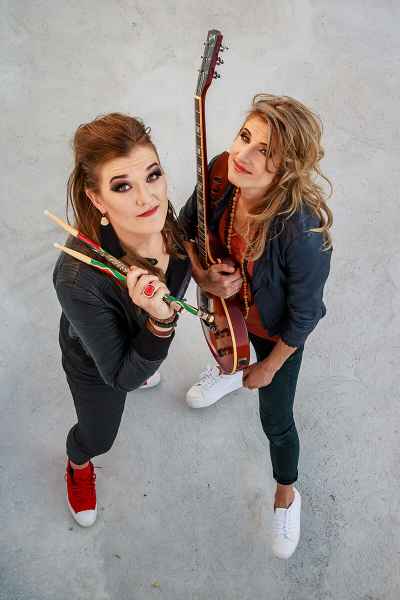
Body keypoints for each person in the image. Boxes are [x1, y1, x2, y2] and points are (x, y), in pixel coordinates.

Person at [179, 93, 333, 559]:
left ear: (287, 169)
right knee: (226, 351)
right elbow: (186, 228)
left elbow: (305, 316)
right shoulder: (221, 174)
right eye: (244, 136)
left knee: (276, 421)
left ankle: (286, 494)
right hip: (230, 315)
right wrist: (202, 274)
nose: (241, 155)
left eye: (264, 151)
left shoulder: (303, 233)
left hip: (273, 335)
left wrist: (268, 367)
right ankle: (230, 368)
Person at [53, 113, 191, 527]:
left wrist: (209, 275)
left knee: (141, 364)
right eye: (122, 186)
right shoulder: (76, 279)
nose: (147, 198)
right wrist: (160, 322)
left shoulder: (166, 220)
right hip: (98, 363)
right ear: (97, 200)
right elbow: (120, 376)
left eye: (153, 175)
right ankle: (77, 464)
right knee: (100, 437)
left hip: (142, 343)